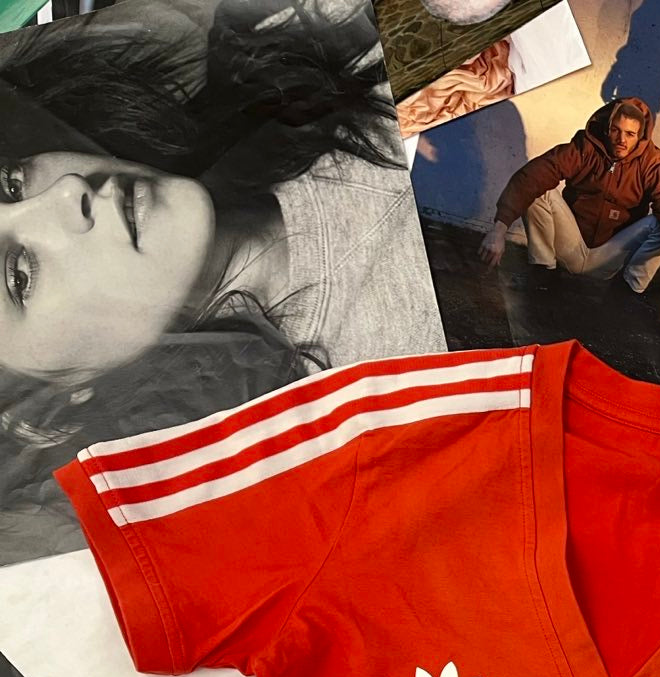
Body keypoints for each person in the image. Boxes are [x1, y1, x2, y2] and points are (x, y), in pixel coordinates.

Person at [0, 0, 441, 565]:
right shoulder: (374, 427)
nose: (66, 192)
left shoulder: (291, 44)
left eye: (11, 183)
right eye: (19, 275)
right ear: (48, 410)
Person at [478, 97, 660, 321]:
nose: (621, 140)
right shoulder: (586, 147)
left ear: (640, 137)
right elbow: (534, 174)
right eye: (616, 131)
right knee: (539, 190)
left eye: (630, 134)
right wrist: (499, 229)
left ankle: (626, 293)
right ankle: (543, 274)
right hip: (571, 245)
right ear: (607, 129)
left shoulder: (649, 164)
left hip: (610, 256)